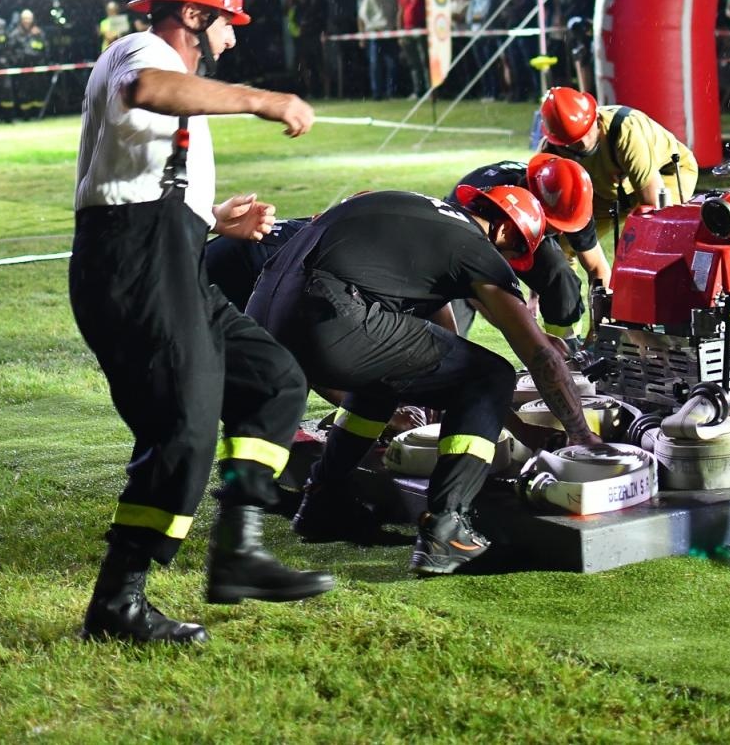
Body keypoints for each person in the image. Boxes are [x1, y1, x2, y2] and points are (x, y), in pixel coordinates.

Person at [72, 0, 329, 647]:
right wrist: (261, 99)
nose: (232, 38)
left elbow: (137, 168)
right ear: (192, 13)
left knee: (274, 380)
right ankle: (116, 605)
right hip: (134, 261)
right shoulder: (144, 49)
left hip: (167, 253)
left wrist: (215, 219)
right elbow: (143, 88)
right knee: (183, 428)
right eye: (225, 22)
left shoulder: (172, 67)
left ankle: (241, 549)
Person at [247, 186, 603, 575]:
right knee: (493, 372)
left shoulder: (421, 222)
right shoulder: (476, 248)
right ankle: (447, 528)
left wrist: (520, 431)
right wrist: (580, 434)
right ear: (505, 234)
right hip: (328, 316)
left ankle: (323, 499)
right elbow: (536, 355)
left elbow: (445, 356)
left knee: (386, 376)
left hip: (265, 313)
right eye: (511, 255)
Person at [537, 86, 698, 286]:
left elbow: (653, 206)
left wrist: (632, 245)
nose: (584, 143)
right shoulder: (550, 154)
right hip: (608, 191)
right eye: (574, 143)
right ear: (558, 143)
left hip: (667, 175)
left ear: (596, 117)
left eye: (587, 132)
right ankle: (574, 307)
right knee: (561, 245)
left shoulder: (626, 131)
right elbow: (553, 221)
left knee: (648, 238)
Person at [447, 155, 594, 346]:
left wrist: (598, 328)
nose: (559, 232)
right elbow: (471, 280)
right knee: (447, 334)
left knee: (558, 272)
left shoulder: (571, 205)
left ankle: (568, 347)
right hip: (463, 245)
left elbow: (597, 269)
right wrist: (532, 337)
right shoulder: (478, 219)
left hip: (510, 230)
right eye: (551, 224)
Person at [358, 0, 399, 100]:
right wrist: (365, 32)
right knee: (375, 64)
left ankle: (391, 92)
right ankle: (377, 93)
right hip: (375, 33)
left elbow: (396, 12)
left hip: (390, 32)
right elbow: (363, 14)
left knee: (392, 64)